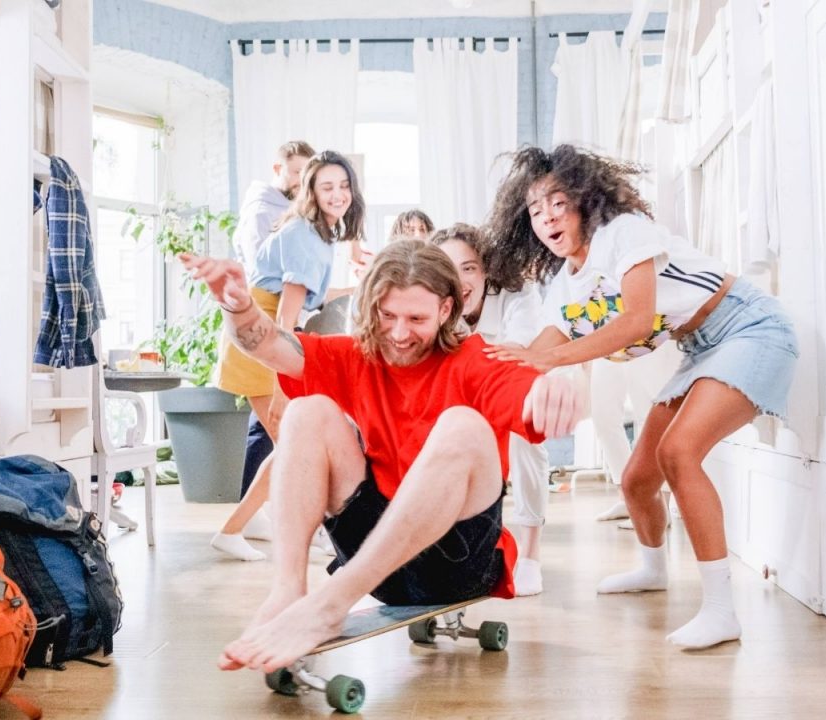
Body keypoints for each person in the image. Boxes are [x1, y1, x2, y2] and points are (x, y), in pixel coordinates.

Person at [180, 240, 585, 673]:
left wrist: (556, 385)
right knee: (306, 411)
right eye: (387, 315)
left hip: (458, 562)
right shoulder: (358, 356)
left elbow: (528, 392)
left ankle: (330, 604)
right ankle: (288, 591)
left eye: (416, 319)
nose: (398, 333)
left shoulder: (477, 360)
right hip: (377, 560)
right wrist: (239, 306)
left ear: (447, 310)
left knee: (463, 425)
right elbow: (269, 347)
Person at [482, 145, 798, 649]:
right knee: (636, 479)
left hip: (748, 327)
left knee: (678, 453)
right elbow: (538, 350)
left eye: (557, 203)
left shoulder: (623, 233)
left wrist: (552, 360)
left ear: (585, 200)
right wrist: (489, 363)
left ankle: (722, 611)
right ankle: (653, 569)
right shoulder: (567, 281)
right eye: (535, 212)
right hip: (699, 346)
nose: (547, 219)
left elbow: (635, 320)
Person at [209, 150, 365, 562]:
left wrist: (355, 287)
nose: (338, 194)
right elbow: (286, 317)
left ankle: (248, 526)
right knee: (294, 447)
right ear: (310, 190)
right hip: (262, 338)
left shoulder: (318, 234)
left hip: (261, 333)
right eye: (327, 186)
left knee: (289, 447)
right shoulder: (306, 236)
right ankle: (265, 530)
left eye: (344, 186)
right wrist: (283, 384)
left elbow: (305, 297)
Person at [429, 223, 549, 596]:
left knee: (524, 440)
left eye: (470, 267)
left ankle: (530, 554)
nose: (461, 278)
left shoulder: (517, 296)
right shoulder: (436, 302)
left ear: (486, 270)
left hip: (526, 373)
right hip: (471, 382)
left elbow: (516, 354)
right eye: (450, 268)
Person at [227, 140, 316, 540]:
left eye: (304, 173)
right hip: (261, 321)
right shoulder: (262, 211)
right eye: (295, 172)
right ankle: (295, 522)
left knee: (271, 431)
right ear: (277, 167)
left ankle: (246, 519)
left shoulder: (291, 213)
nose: (300, 180)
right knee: (285, 436)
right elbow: (265, 271)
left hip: (272, 324)